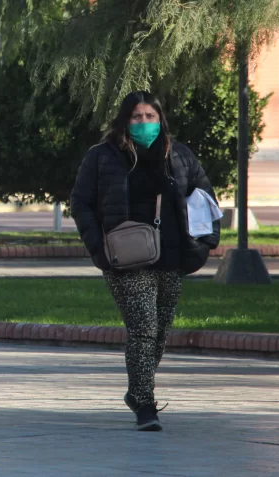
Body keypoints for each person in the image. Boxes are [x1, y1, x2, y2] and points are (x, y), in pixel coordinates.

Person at [70, 91, 220, 431]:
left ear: (160, 119)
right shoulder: (103, 157)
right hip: (125, 258)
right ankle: (145, 403)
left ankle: (137, 389)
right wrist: (98, 247)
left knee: (160, 332)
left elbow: (204, 199)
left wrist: (204, 245)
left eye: (150, 116)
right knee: (143, 329)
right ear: (124, 120)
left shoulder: (178, 155)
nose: (143, 123)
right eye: (136, 117)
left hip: (171, 257)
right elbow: (81, 203)